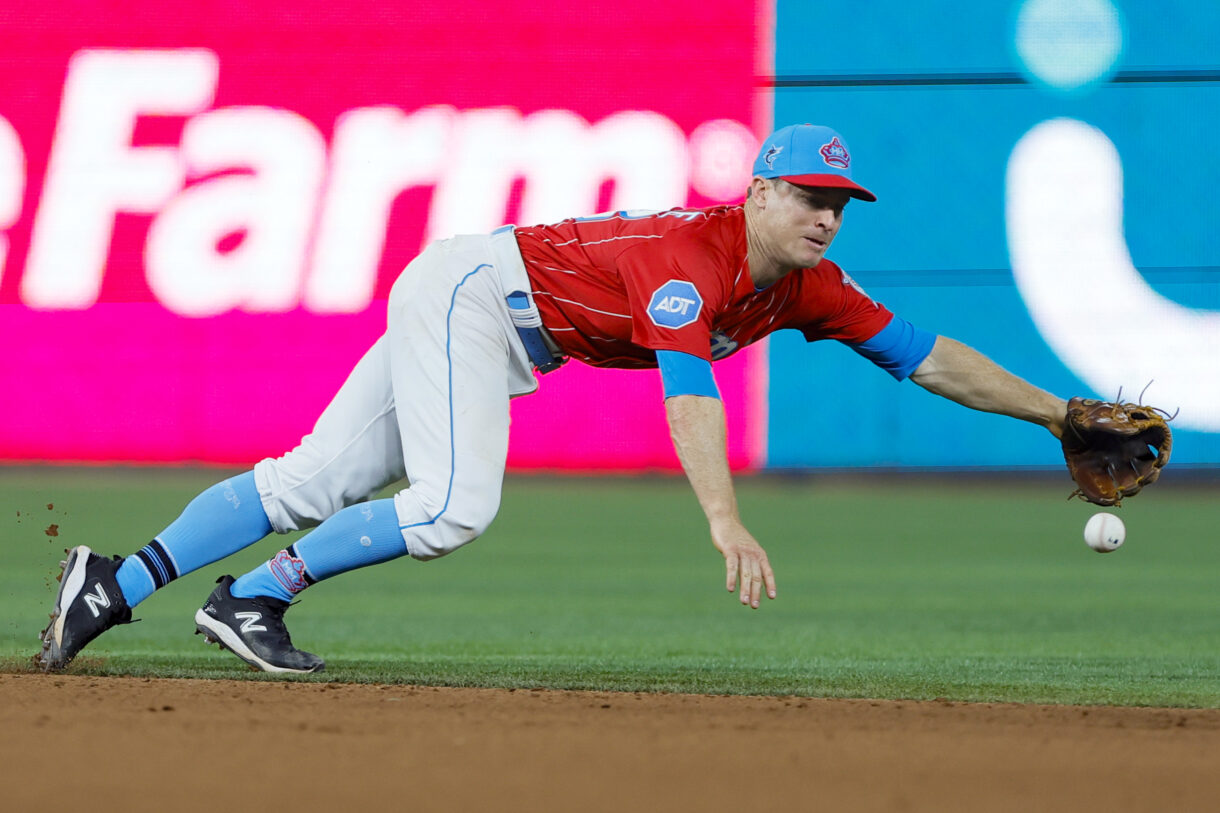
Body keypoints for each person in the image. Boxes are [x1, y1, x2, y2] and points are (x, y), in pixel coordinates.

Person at [37, 124, 1068, 674]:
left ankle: (111, 584)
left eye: (837, 205)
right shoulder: (689, 259)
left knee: (313, 478)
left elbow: (930, 359)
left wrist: (1061, 419)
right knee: (450, 507)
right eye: (806, 196)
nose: (823, 217)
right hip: (474, 298)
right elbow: (686, 390)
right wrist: (721, 515)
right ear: (757, 192)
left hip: (491, 315)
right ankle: (254, 596)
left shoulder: (809, 288)